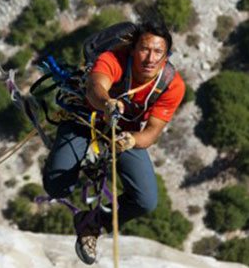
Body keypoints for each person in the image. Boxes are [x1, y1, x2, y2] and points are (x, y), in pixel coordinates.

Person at [42, 20, 186, 265]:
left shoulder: (171, 85)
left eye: (158, 52)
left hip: (122, 134)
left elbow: (152, 133)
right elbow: (96, 87)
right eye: (144, 49)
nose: (150, 58)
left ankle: (92, 224)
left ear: (166, 55)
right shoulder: (113, 59)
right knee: (56, 187)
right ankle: (68, 163)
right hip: (84, 119)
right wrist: (107, 103)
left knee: (146, 200)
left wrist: (131, 140)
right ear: (133, 49)